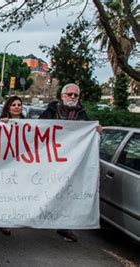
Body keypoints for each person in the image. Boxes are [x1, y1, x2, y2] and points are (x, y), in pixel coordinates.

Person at [39, 83, 102, 242]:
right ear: (62, 96)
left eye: (76, 95)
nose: (73, 97)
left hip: (70, 163)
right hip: (49, 160)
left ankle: (64, 226)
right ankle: (35, 217)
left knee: (68, 194)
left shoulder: (82, 114)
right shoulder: (51, 112)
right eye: (70, 94)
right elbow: (36, 131)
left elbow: (87, 137)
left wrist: (95, 132)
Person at [0, 96, 25, 236]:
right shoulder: (0, 123)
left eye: (19, 104)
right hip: (4, 164)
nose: (16, 107)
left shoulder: (29, 125)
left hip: (21, 164)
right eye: (13, 104)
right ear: (8, 107)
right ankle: (3, 220)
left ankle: (10, 218)